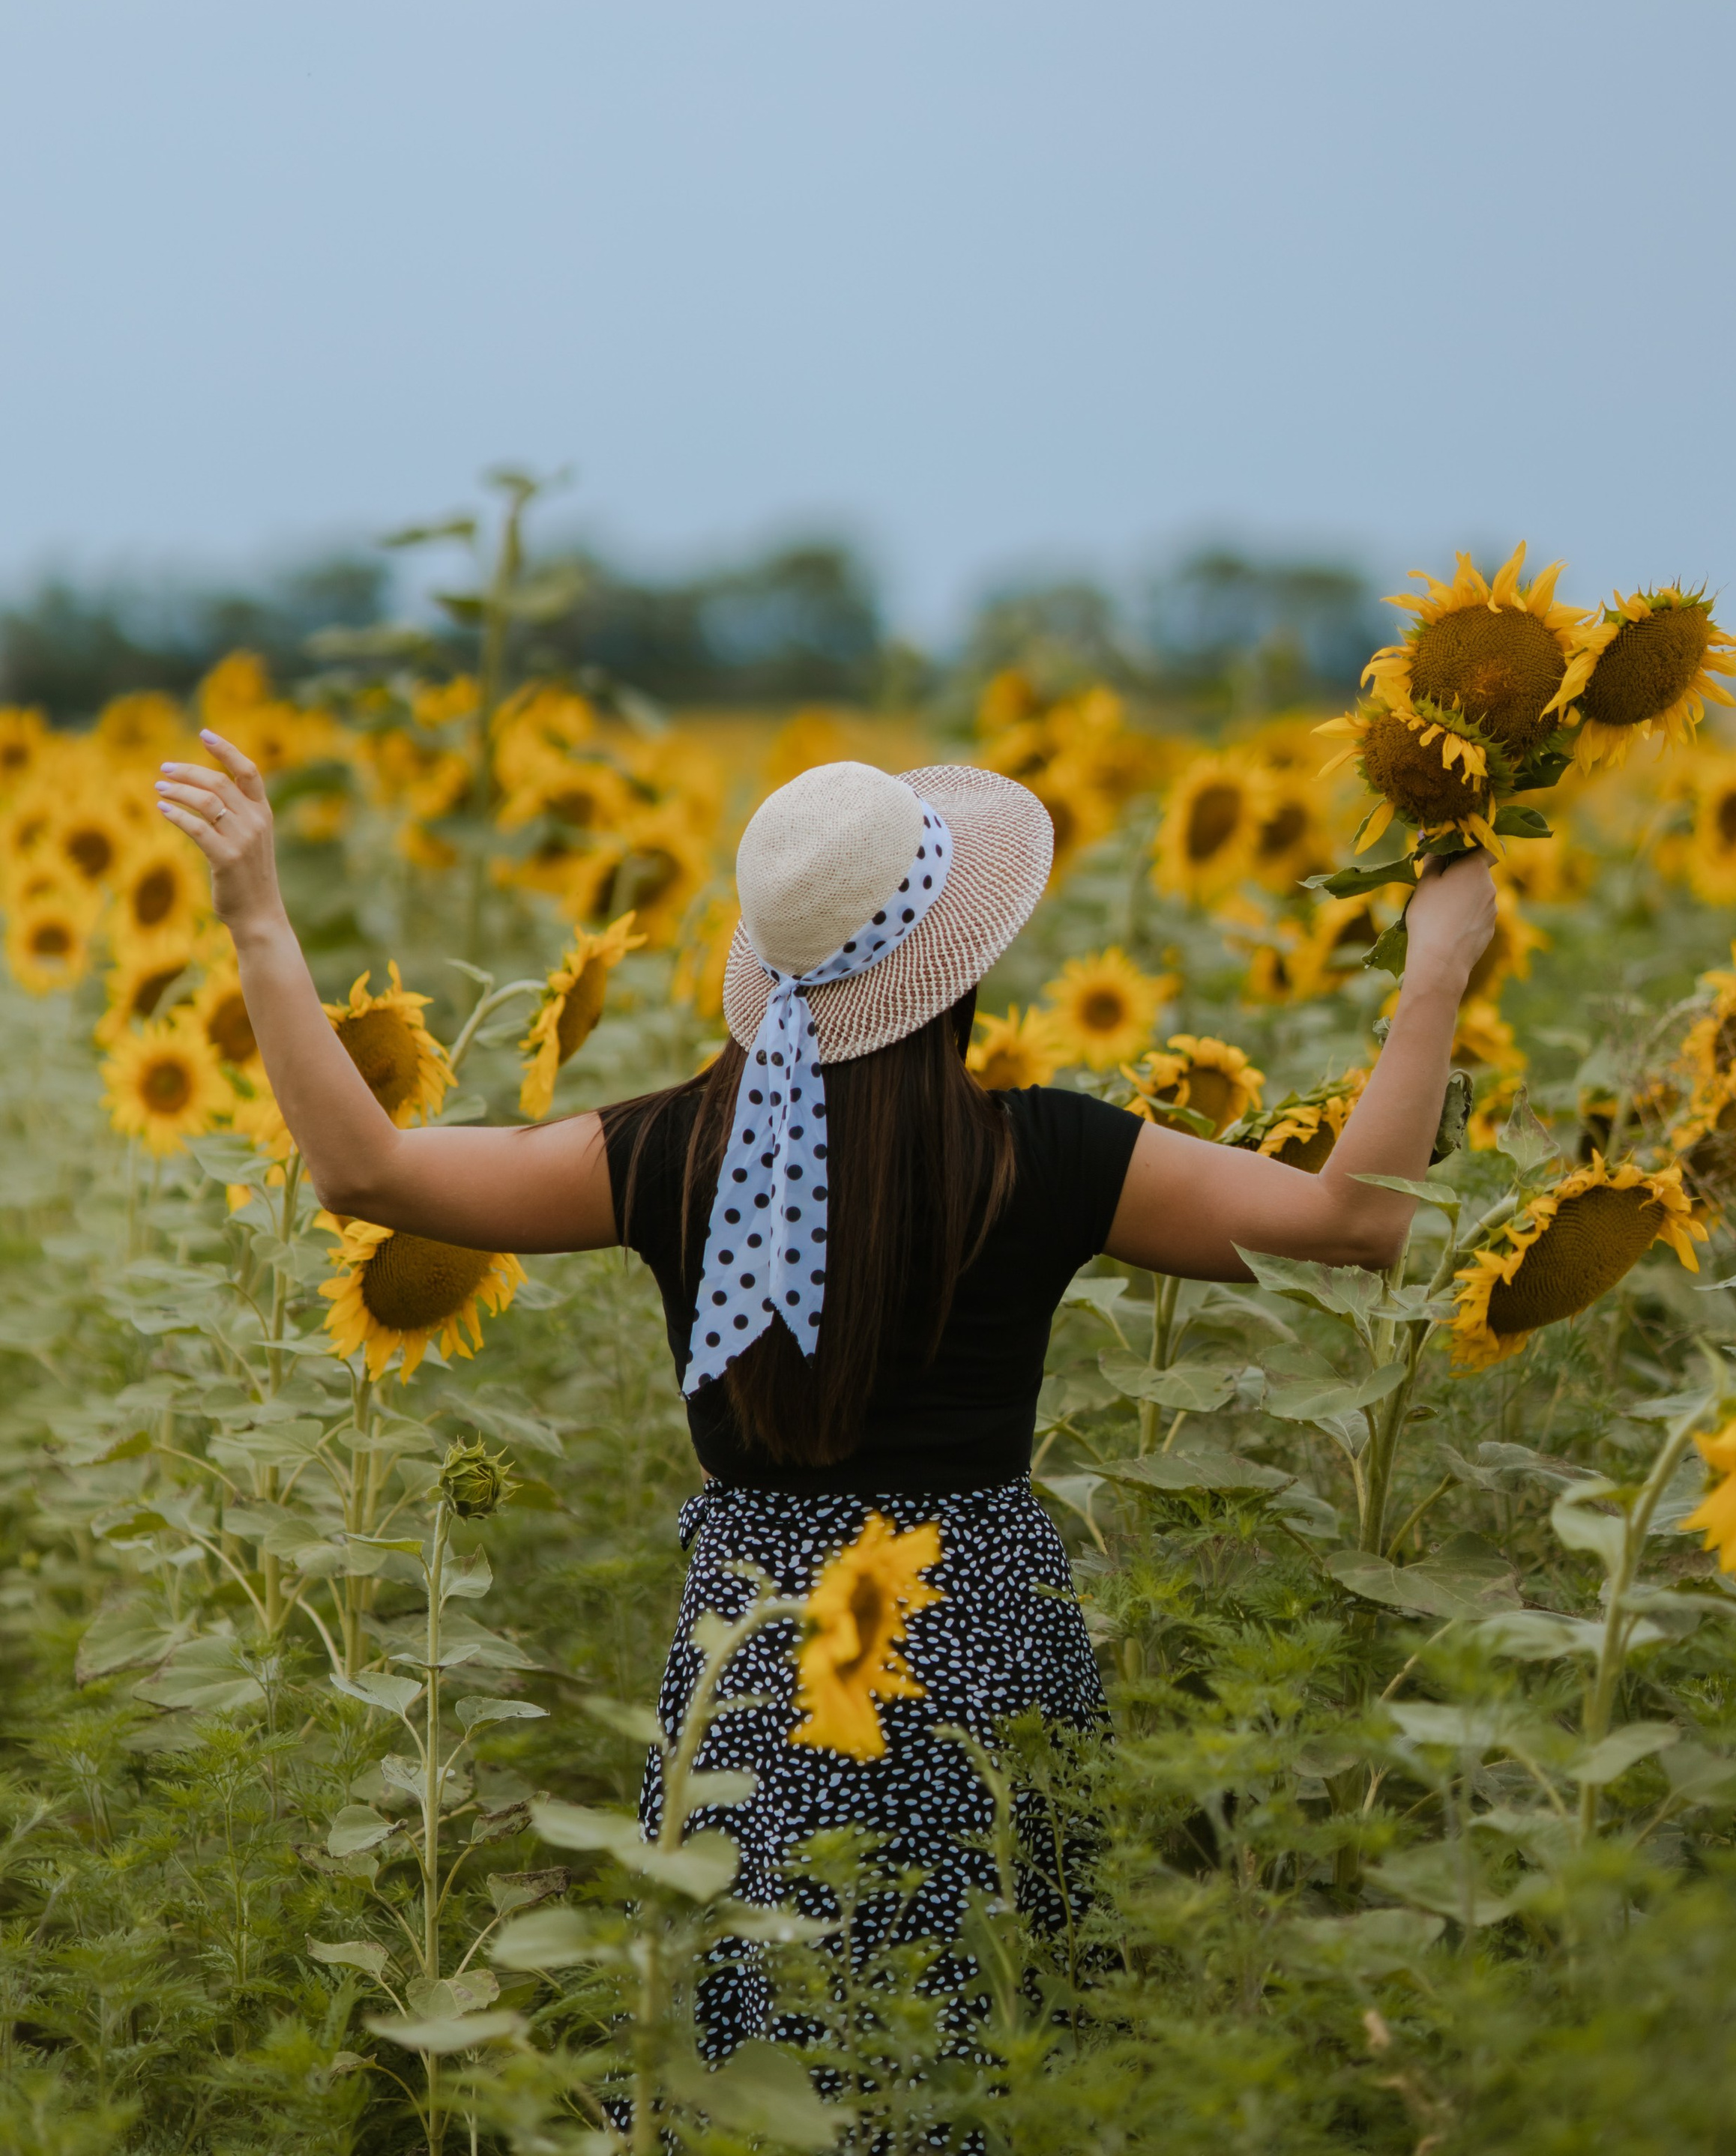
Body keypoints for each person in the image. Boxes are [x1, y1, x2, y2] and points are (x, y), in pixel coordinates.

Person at [156, 734, 1495, 2074]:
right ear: (960, 963)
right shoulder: (1047, 1157)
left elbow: (366, 1172)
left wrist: (259, 919)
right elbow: (1355, 1221)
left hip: (754, 1641)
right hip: (982, 1628)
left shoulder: (674, 1153)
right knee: (992, 2041)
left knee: (768, 2065)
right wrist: (1433, 967)